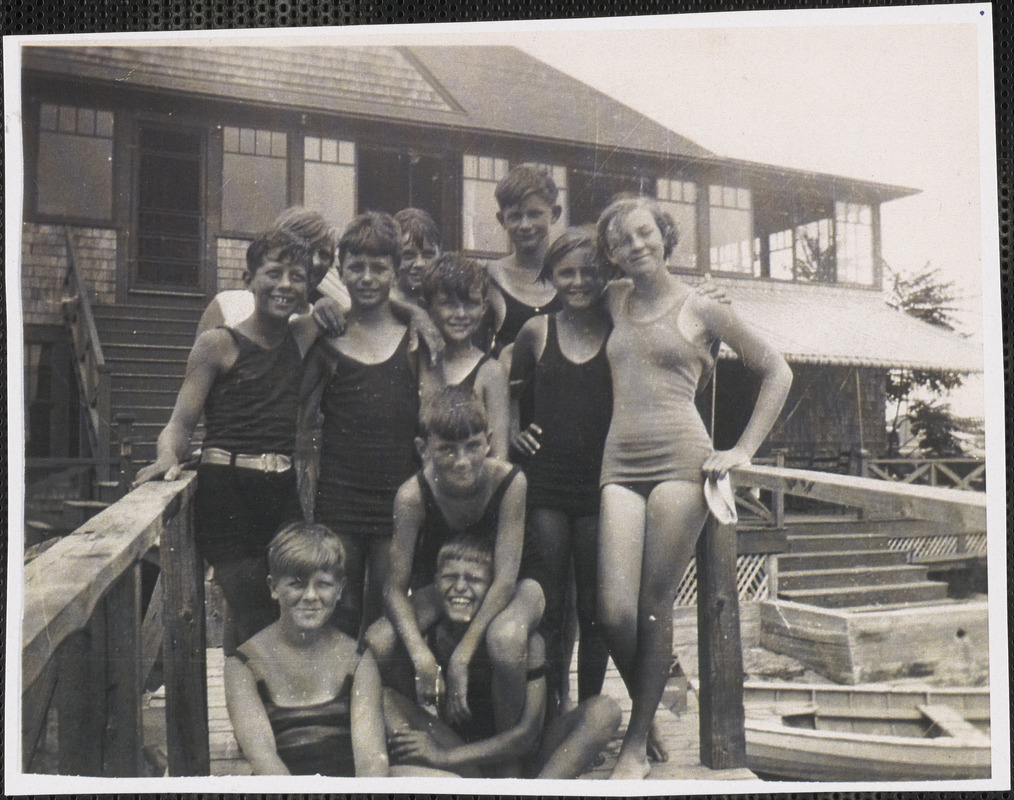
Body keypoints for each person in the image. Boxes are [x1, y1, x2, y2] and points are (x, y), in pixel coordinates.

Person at [594, 197, 793, 779]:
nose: (635, 246)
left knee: (654, 605)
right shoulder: (612, 299)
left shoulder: (704, 305)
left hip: (683, 459)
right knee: (611, 610)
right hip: (619, 461)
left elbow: (777, 369)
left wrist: (743, 449)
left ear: (664, 235)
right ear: (611, 253)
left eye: (644, 233)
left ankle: (635, 744)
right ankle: (660, 688)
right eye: (621, 240)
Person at [134, 227, 338, 651]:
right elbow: (179, 424)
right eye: (273, 273)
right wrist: (165, 456)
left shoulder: (303, 334)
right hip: (227, 495)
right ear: (248, 281)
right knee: (253, 613)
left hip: (282, 495)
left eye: (297, 277)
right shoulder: (218, 345)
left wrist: (330, 304)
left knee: (297, 605)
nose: (285, 285)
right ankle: (252, 711)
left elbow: (346, 310)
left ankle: (279, 710)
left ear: (307, 288)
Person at [367, 386, 544, 776]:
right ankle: (438, 737)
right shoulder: (412, 496)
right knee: (379, 642)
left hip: (510, 583)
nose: (462, 461)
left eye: (472, 446)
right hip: (451, 584)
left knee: (506, 637)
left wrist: (462, 655)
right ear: (423, 448)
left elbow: (505, 579)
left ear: (490, 442)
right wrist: (421, 657)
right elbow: (394, 588)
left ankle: (507, 766)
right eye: (447, 449)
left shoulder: (510, 480)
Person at [224, 521, 453, 777]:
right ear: (273, 587)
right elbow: (266, 763)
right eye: (297, 584)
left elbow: (371, 763)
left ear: (340, 589)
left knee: (451, 784)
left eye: (323, 584)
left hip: (349, 782)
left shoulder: (357, 659)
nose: (311, 596)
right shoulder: (242, 664)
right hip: (282, 787)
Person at [381, 540, 620, 779]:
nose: (460, 587)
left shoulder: (524, 641)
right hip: (465, 760)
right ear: (435, 581)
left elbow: (528, 737)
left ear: (493, 591)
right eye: (450, 577)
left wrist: (442, 757)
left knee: (604, 711)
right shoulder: (432, 636)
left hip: (521, 758)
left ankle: (538, 791)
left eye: (474, 580)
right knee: (385, 699)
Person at [299, 211, 432, 639]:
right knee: (340, 605)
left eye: (379, 267)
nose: (367, 278)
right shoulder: (328, 339)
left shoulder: (413, 336)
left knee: (385, 610)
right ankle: (339, 704)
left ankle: (376, 704)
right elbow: (300, 421)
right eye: (356, 267)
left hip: (399, 497)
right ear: (340, 269)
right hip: (339, 496)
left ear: (394, 270)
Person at [508, 226, 612, 714]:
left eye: (589, 271)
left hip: (599, 485)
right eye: (566, 272)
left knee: (594, 609)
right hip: (546, 482)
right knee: (548, 602)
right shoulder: (536, 330)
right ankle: (551, 703)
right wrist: (513, 429)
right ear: (550, 276)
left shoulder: (618, 327)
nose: (578, 281)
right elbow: (509, 385)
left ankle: (589, 705)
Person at [195, 207, 349, 336]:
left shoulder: (322, 319)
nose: (314, 262)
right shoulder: (229, 305)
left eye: (323, 255)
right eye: (307, 250)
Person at [418, 252, 509, 459]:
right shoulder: (417, 359)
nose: (461, 314)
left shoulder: (491, 372)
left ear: (484, 307)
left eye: (470, 304)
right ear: (428, 308)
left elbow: (499, 458)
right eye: (448, 304)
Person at [485, 164, 564, 368]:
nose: (525, 225)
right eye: (515, 217)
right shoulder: (490, 277)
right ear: (502, 220)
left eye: (534, 214)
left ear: (554, 214)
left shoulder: (572, 275)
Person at [394, 207, 442, 307]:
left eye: (428, 255)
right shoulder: (383, 306)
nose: (419, 264)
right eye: (408, 255)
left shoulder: (448, 305)